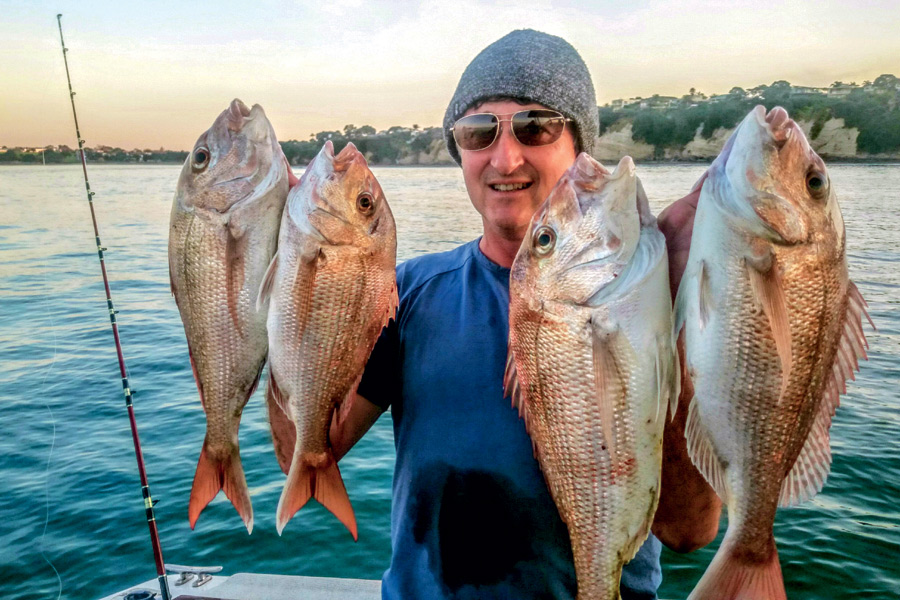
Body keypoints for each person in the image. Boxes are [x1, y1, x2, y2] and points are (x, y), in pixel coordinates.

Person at [328, 29, 721, 599]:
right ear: (460, 150)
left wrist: (675, 327)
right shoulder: (407, 292)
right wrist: (295, 294)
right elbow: (311, 449)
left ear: (581, 148)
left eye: (537, 126)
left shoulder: (653, 290)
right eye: (478, 132)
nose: (504, 157)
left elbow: (689, 530)